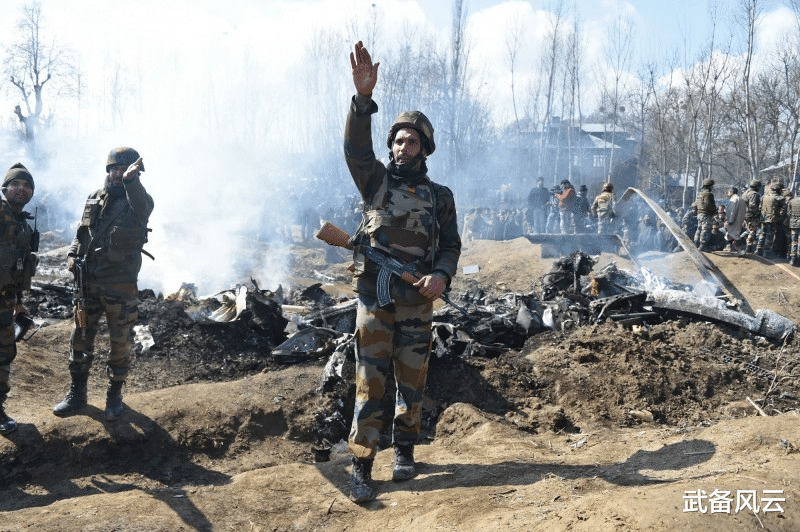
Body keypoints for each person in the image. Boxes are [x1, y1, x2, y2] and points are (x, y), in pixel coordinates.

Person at [344, 41, 461, 504]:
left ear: (424, 148)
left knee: (412, 382)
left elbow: (450, 245)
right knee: (370, 384)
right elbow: (355, 148)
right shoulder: (375, 181)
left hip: (417, 303)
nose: (402, 147)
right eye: (397, 140)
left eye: (411, 141)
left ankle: (405, 451)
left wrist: (442, 277)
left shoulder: (440, 196)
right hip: (375, 301)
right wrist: (362, 102)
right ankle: (361, 464)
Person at [53, 147, 154, 422]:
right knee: (80, 334)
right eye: (115, 169)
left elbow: (142, 206)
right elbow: (81, 233)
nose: (118, 174)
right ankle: (77, 394)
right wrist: (72, 255)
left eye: (124, 171)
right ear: (108, 171)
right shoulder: (94, 197)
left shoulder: (139, 200)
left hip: (120, 287)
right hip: (88, 285)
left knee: (119, 341)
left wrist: (132, 182)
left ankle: (114, 395)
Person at [0, 164, 38, 435]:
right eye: (16, 184)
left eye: (26, 186)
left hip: (5, 303)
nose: (21, 189)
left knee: (3, 353)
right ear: (5, 188)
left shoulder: (23, 226)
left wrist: (18, 302)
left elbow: (18, 269)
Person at [756, 181, 784, 257]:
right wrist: (779, 216)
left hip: (763, 218)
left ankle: (759, 249)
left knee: (762, 233)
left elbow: (760, 207)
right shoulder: (779, 198)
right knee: (769, 235)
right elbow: (784, 210)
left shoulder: (764, 197)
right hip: (772, 219)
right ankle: (766, 251)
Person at [692, 178, 716, 252]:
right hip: (706, 214)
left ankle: (696, 243)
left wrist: (697, 212)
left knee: (699, 228)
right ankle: (703, 245)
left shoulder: (699, 194)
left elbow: (694, 205)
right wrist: (715, 210)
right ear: (710, 186)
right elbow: (708, 205)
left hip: (700, 214)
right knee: (705, 230)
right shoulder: (709, 194)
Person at [741, 179, 762, 253]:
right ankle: (748, 247)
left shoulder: (745, 193)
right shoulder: (754, 194)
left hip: (745, 214)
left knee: (749, 230)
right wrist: (759, 212)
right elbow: (752, 206)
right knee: (752, 231)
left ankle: (746, 243)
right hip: (751, 215)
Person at [724, 186, 746, 252]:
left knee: (735, 235)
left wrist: (730, 220)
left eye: (728, 192)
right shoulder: (741, 199)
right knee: (730, 234)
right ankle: (728, 247)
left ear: (731, 192)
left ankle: (741, 249)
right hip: (739, 220)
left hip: (733, 220)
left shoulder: (733, 199)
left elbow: (732, 211)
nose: (728, 193)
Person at [787, 189, 800, 266]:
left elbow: (788, 213)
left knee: (793, 241)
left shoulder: (792, 201)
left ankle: (793, 259)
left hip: (794, 224)